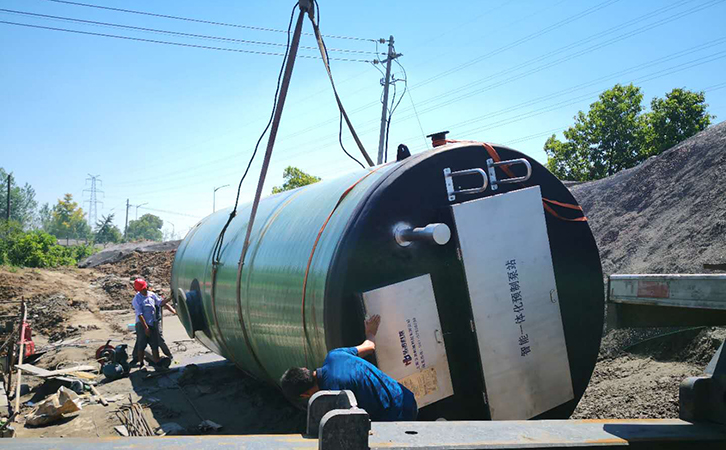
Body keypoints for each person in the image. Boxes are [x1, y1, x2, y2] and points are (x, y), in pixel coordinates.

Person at [280, 314, 418, 421]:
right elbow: (369, 347)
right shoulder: (334, 355)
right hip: (405, 397)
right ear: (305, 369)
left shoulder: (335, 397)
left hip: (395, 418)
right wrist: (370, 332)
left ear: (305, 395)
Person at [131, 278, 172, 368]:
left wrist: (170, 298)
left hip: (152, 323)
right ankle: (141, 363)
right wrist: (146, 327)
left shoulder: (151, 295)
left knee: (154, 343)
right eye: (142, 290)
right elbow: (140, 314)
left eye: (145, 289)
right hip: (142, 325)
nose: (144, 291)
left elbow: (160, 303)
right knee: (141, 344)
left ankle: (157, 361)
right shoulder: (137, 299)